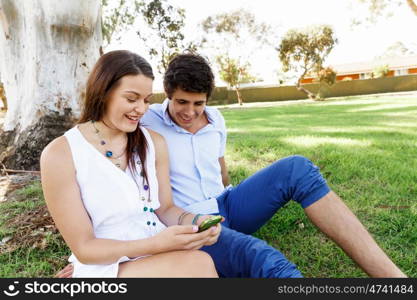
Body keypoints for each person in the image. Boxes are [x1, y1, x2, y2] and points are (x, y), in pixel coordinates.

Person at [140, 53, 407, 278]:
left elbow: (220, 168)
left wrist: (235, 197)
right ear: (168, 94)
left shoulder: (216, 119)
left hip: (227, 204)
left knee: (297, 168)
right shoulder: (147, 120)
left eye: (198, 103)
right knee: (268, 263)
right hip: (191, 221)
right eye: (181, 102)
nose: (189, 112)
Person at [40, 50, 221, 278]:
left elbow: (164, 209)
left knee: (198, 263)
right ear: (103, 92)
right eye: (131, 99)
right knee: (198, 264)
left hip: (158, 254)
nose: (142, 109)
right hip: (106, 264)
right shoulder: (60, 154)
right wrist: (155, 244)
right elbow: (85, 248)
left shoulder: (154, 142)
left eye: (146, 100)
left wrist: (196, 221)